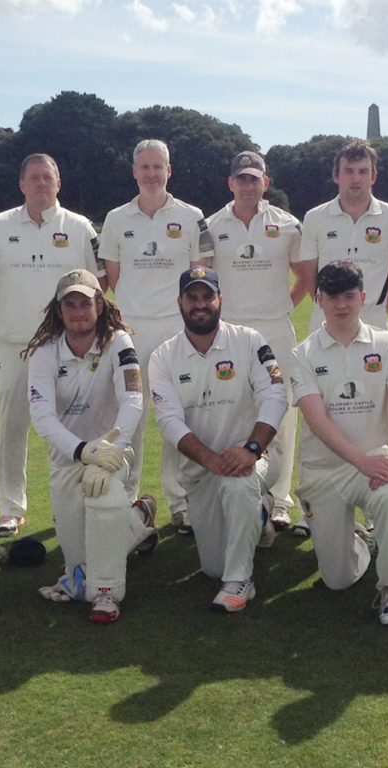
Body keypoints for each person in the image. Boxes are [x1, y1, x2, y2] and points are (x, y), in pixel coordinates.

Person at [0, 153, 105, 537]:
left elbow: (98, 286)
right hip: (12, 344)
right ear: (21, 184)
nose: (41, 184)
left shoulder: (79, 227)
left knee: (75, 423)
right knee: (11, 425)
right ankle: (10, 509)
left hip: (66, 345)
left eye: (48, 178)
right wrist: (8, 321)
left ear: (58, 183)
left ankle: (80, 499)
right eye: (33, 178)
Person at [148, 266, 287, 612]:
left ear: (220, 299)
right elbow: (169, 422)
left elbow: (275, 396)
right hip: (200, 470)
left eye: (207, 296)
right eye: (192, 297)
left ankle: (240, 581)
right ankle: (260, 513)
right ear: (180, 303)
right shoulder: (163, 356)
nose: (200, 304)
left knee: (238, 485)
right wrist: (213, 461)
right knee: (213, 567)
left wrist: (251, 449)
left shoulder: (249, 340)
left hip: (251, 460)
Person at [24, 268, 158, 624]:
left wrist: (106, 451)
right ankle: (138, 519)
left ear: (99, 304)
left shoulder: (119, 343)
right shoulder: (44, 354)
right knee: (81, 562)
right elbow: (43, 417)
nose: (79, 311)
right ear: (59, 309)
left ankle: (107, 595)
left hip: (114, 453)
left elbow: (133, 401)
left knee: (105, 500)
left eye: (86, 302)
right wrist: (84, 451)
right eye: (71, 304)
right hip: (69, 458)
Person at [289, 262, 388, 626]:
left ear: (362, 298)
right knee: (337, 581)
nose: (341, 305)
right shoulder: (303, 353)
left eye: (349, 296)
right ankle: (357, 540)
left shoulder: (387, 343)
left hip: (375, 462)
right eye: (332, 296)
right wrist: (361, 462)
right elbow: (316, 419)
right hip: (323, 470)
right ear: (318, 299)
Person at [99, 139, 214, 535]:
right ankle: (127, 498)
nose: (151, 173)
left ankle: (181, 502)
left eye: (158, 167)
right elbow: (113, 277)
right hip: (129, 332)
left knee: (177, 416)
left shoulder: (191, 215)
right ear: (134, 171)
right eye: (144, 167)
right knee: (129, 416)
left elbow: (198, 275)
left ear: (169, 170)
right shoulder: (116, 218)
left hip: (175, 331)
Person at [205, 151, 315, 532]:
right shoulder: (211, 225)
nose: (249, 185)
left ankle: (280, 498)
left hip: (275, 329)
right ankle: (233, 489)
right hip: (229, 333)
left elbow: (305, 276)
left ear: (265, 183)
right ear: (230, 183)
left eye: (255, 179)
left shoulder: (287, 225)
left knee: (281, 413)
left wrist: (283, 305)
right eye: (242, 179)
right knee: (233, 411)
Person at [299, 139, 388, 332]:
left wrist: (375, 309)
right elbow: (310, 279)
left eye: (363, 171)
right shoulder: (315, 217)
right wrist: (332, 306)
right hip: (325, 320)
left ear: (373, 176)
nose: (356, 179)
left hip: (374, 319)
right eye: (348, 171)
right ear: (336, 175)